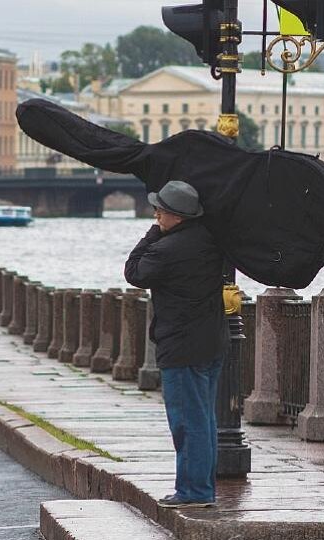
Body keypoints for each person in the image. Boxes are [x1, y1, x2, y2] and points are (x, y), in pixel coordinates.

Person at [124, 180, 228, 509]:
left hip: (182, 348)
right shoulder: (210, 240)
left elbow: (134, 272)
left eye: (161, 211)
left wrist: (152, 234)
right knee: (205, 420)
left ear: (178, 217)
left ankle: (194, 492)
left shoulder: (167, 250)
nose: (156, 214)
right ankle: (201, 488)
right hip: (212, 343)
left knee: (187, 423)